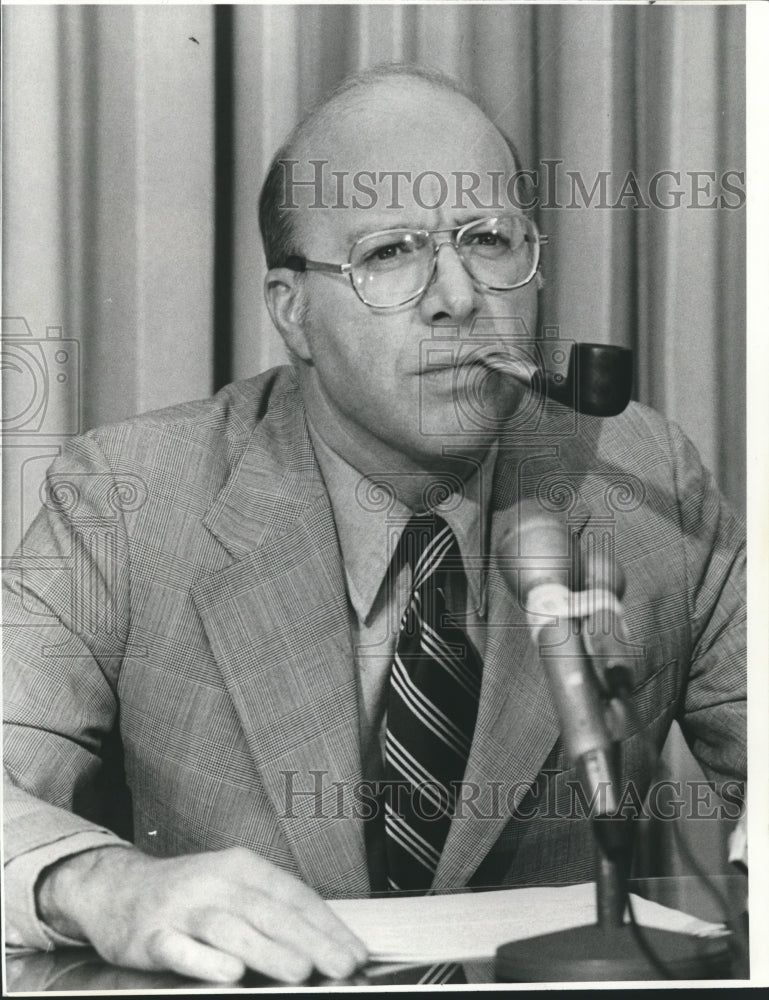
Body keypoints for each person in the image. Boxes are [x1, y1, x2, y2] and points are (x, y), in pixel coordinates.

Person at [3, 64, 746, 984]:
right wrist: (104, 885)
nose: (459, 299)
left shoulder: (638, 476)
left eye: (488, 239)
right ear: (293, 312)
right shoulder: (128, 500)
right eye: (390, 252)